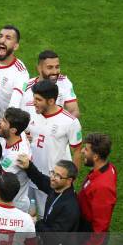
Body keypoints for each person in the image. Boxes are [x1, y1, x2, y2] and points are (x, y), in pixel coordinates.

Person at [27, 79, 82, 217]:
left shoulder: (70, 122)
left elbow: (77, 152)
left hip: (50, 182)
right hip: (28, 175)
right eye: (34, 98)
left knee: (46, 218)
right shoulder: (31, 112)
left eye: (38, 100)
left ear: (51, 101)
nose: (34, 102)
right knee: (25, 216)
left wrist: (70, 179)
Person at [19, 50, 80, 118]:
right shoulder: (26, 86)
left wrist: (62, 126)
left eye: (57, 67)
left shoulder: (64, 82)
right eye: (49, 67)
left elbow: (74, 111)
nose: (54, 71)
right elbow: (20, 115)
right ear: (39, 68)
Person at [0, 107, 32, 212]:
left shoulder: (17, 155)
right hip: (10, 199)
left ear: (13, 130)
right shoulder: (16, 134)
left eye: (4, 121)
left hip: (14, 205)